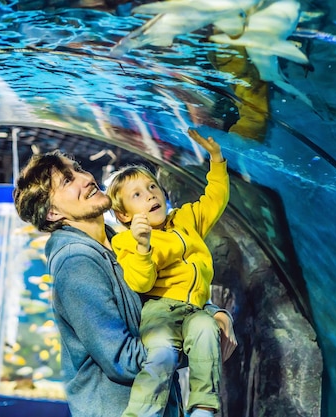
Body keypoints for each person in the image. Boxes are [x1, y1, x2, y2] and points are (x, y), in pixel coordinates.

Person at [12, 143, 237, 417]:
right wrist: (203, 340)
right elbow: (122, 359)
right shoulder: (76, 263)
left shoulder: (122, 241)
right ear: (53, 213)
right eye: (68, 180)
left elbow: (164, 294)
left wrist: (215, 314)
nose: (87, 178)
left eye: (79, 169)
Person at [106, 129, 230, 417]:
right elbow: (140, 282)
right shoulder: (127, 240)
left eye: (152, 187)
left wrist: (216, 160)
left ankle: (202, 408)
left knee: (205, 330)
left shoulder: (185, 219)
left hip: (196, 309)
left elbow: (215, 198)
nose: (150, 194)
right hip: (160, 311)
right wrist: (143, 247)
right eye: (137, 195)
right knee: (161, 357)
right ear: (124, 215)